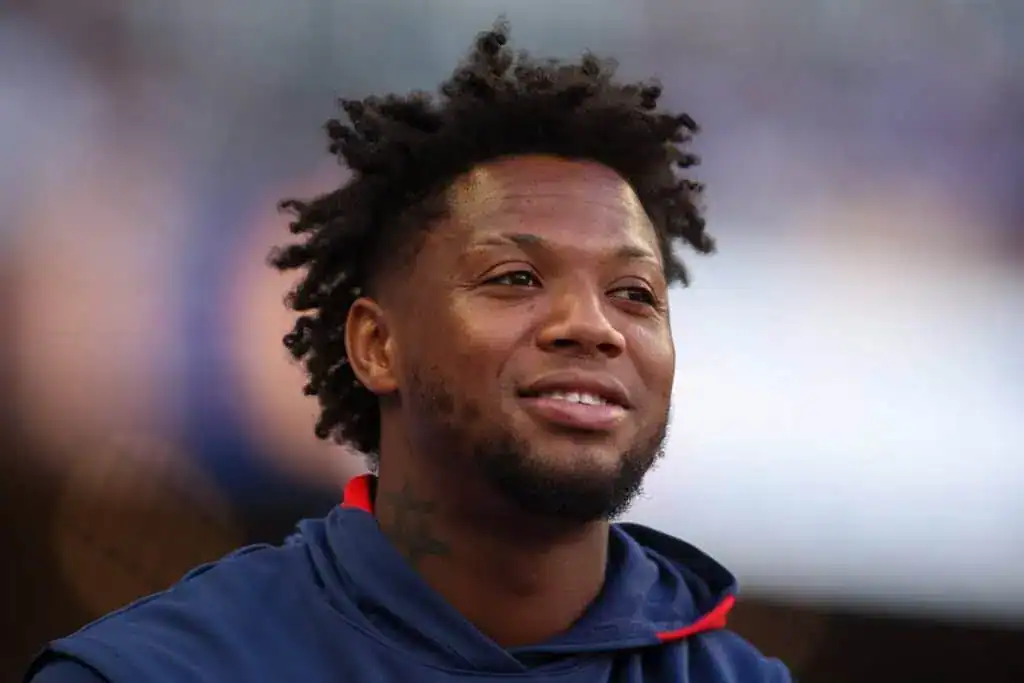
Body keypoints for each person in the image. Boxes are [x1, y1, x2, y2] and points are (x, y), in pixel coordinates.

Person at [27, 22, 793, 683]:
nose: (593, 325)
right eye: (516, 277)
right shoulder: (151, 672)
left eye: (634, 294)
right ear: (375, 344)